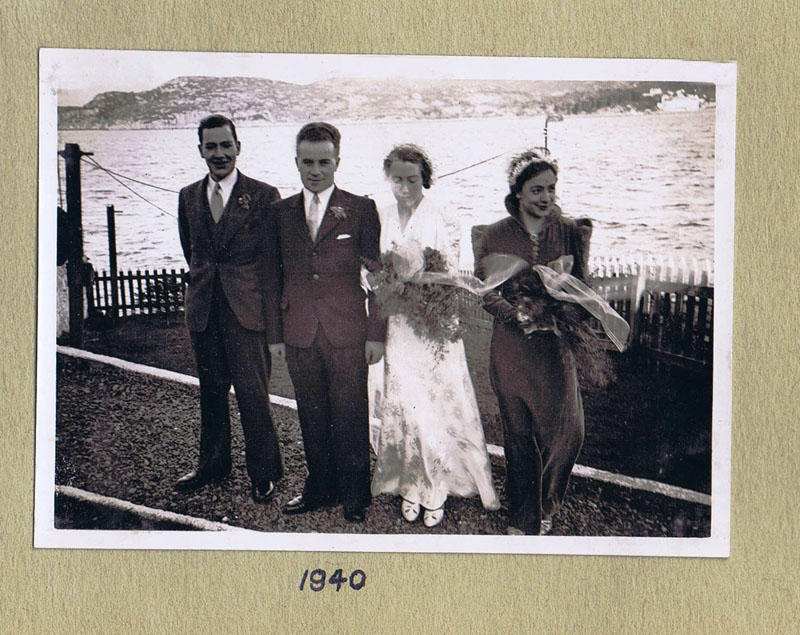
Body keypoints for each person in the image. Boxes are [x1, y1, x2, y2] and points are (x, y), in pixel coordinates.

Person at [369, 144, 500, 528]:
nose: (405, 187)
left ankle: (437, 484)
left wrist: (418, 288)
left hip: (433, 326)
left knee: (435, 404)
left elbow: (451, 273)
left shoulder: (444, 214)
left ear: (424, 176)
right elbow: (374, 270)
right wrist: (388, 284)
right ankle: (409, 481)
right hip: (399, 327)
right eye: (397, 179)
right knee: (406, 401)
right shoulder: (382, 215)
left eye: (412, 179)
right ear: (388, 178)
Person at [268, 122, 385, 524]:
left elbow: (378, 278)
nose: (315, 170)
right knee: (312, 413)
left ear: (337, 161)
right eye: (307, 162)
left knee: (351, 412)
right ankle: (320, 486)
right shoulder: (279, 213)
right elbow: (272, 278)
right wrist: (274, 335)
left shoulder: (360, 209)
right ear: (296, 162)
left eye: (324, 161)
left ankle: (355, 493)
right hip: (299, 329)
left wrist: (377, 333)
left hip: (347, 331)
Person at [471, 150, 590, 536]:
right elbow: (485, 292)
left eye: (551, 189)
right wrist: (516, 316)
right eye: (536, 189)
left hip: (555, 347)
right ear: (518, 193)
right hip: (511, 347)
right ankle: (526, 515)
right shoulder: (494, 235)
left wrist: (563, 316)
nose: (545, 197)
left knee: (566, 431)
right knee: (519, 434)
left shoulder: (569, 231)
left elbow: (583, 288)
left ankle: (548, 501)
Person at [175, 114, 283, 504]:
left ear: (238, 146)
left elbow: (273, 265)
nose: (218, 154)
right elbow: (194, 252)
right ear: (200, 150)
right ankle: (212, 466)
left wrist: (272, 323)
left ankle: (264, 472)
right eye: (211, 146)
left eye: (225, 145)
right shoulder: (188, 195)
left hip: (246, 313)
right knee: (212, 393)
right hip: (204, 312)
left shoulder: (264, 195)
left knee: (253, 394)